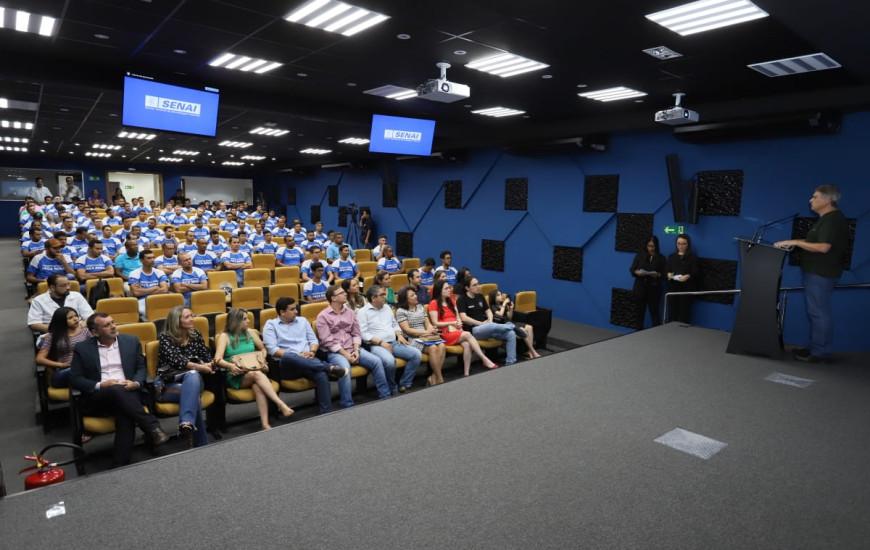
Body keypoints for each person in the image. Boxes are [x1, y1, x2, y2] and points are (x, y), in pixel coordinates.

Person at [69, 313, 170, 467]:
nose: (113, 326)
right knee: (116, 390)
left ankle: (120, 463)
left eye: (113, 322)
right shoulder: (82, 348)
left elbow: (141, 368)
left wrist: (136, 383)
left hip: (129, 392)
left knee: (125, 414)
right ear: (95, 332)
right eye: (107, 325)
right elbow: (75, 378)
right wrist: (101, 385)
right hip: (99, 398)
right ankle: (152, 427)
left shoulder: (131, 341)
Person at [774, 184, 849, 363]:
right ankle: (816, 347)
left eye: (814, 197)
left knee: (818, 312)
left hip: (821, 273)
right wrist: (795, 242)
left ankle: (820, 352)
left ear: (826, 200)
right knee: (816, 312)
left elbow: (823, 247)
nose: (810, 200)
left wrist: (795, 241)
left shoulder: (832, 219)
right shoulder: (826, 219)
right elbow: (813, 241)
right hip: (817, 272)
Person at [263, 297, 352, 414]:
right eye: (292, 309)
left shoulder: (303, 321)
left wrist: (312, 352)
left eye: (296, 308)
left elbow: (313, 341)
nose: (296, 311)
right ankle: (329, 367)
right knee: (288, 356)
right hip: (289, 365)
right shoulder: (271, 325)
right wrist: (298, 356)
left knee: (321, 376)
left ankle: (327, 413)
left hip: (309, 360)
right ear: (282, 312)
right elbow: (272, 349)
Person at [214, 308, 294, 430]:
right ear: (236, 321)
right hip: (236, 375)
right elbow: (217, 359)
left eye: (248, 318)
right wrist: (231, 366)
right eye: (245, 319)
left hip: (253, 371)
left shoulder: (251, 332)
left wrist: (262, 359)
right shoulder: (224, 337)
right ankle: (280, 404)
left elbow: (263, 348)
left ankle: (265, 424)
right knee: (256, 374)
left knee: (258, 387)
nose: (248, 321)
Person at [316, 285, 392, 399]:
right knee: (344, 369)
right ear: (333, 298)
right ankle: (347, 404)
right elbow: (327, 341)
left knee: (376, 361)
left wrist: (356, 349)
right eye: (341, 293)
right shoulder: (323, 316)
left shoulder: (350, 312)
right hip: (336, 352)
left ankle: (385, 395)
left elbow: (356, 334)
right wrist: (346, 354)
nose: (345, 294)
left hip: (353, 348)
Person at [156, 306, 214, 448]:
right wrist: (200, 367)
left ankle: (186, 423)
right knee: (194, 396)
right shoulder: (165, 338)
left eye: (191, 316)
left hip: (193, 381)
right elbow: (177, 361)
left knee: (192, 376)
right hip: (167, 384)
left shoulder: (196, 334)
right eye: (187, 317)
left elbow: (206, 356)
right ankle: (199, 440)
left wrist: (210, 364)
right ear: (177, 320)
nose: (192, 319)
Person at [357, 285, 421, 393]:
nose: (385, 297)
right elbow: (363, 334)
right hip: (376, 345)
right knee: (389, 361)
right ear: (373, 298)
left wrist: (400, 335)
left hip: (394, 342)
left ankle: (404, 383)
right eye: (382, 295)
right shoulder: (363, 312)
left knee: (416, 354)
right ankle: (392, 387)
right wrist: (381, 343)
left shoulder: (386, 307)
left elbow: (394, 324)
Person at [429, 281, 497, 375]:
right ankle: (484, 358)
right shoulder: (434, 303)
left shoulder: (452, 301)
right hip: (445, 332)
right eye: (446, 288)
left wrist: (459, 324)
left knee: (467, 344)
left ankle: (466, 373)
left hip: (456, 330)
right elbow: (435, 323)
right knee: (468, 334)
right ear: (439, 291)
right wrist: (452, 323)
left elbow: (458, 317)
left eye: (449, 288)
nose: (450, 290)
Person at [457, 277, 517, 366]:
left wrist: (490, 320)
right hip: (473, 330)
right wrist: (481, 323)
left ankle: (510, 362)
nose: (478, 286)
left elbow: (488, 311)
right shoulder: (462, 299)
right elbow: (464, 318)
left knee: (511, 334)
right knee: (493, 326)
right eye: (474, 285)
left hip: (487, 328)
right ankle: (512, 326)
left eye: (478, 284)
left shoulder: (480, 296)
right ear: (467, 288)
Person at [396, 286, 446, 386]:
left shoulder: (420, 307)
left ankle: (433, 376)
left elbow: (427, 323)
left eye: (415, 294)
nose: (416, 296)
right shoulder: (401, 311)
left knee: (442, 346)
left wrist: (432, 329)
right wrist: (426, 332)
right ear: (405, 299)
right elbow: (407, 330)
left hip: (426, 336)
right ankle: (439, 378)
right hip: (412, 338)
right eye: (412, 295)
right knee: (432, 348)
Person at [36, 307, 92, 387]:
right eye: (70, 318)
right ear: (61, 321)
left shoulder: (86, 332)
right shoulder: (54, 337)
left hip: (86, 366)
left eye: (76, 316)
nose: (76, 319)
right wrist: (60, 365)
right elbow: (39, 359)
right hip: (66, 371)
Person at [489, 290, 540, 359]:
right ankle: (533, 351)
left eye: (501, 294)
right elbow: (500, 314)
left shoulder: (502, 305)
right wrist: (504, 304)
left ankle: (529, 351)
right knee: (523, 330)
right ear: (493, 297)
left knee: (530, 327)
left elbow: (509, 316)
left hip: (511, 322)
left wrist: (511, 309)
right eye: (498, 295)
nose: (501, 296)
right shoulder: (492, 306)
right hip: (504, 325)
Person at [629, 236, 667, 330]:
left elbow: (665, 275)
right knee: (639, 311)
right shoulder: (640, 255)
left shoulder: (661, 258)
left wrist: (657, 275)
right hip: (640, 286)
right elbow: (632, 269)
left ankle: (656, 333)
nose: (651, 248)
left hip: (654, 288)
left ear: (656, 246)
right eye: (649, 246)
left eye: (653, 246)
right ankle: (638, 331)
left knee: (654, 311)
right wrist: (636, 272)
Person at [666, 233, 699, 324]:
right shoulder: (671, 256)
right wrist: (669, 274)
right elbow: (668, 270)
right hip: (673, 287)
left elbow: (695, 271)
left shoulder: (692, 257)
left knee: (684, 313)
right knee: (672, 311)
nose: (681, 246)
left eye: (683, 244)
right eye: (679, 243)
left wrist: (688, 276)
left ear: (688, 244)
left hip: (686, 288)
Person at [128, 250, 169, 319]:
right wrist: (155, 288)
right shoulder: (134, 273)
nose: (152, 260)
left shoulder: (159, 272)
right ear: (142, 260)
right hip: (142, 300)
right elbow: (136, 292)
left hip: (159, 299)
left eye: (153, 257)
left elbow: (164, 290)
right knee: (146, 312)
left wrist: (143, 290)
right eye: (149, 258)